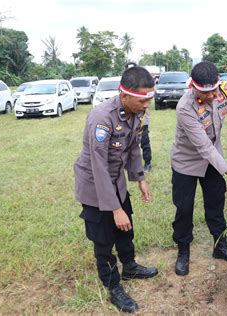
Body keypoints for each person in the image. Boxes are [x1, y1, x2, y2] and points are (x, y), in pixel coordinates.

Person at [74, 66, 159, 313]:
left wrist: (139, 178)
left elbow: (133, 148)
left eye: (149, 98)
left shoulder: (138, 114)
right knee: (103, 240)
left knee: (126, 227)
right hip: (94, 185)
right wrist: (114, 208)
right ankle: (113, 286)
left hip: (116, 181)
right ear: (125, 96)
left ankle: (130, 266)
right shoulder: (101, 118)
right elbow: (98, 166)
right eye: (143, 99)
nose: (147, 104)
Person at [171, 61, 227, 276]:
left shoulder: (224, 90)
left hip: (214, 160)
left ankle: (219, 246)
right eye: (206, 92)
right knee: (184, 209)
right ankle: (183, 250)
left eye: (214, 90)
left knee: (216, 202)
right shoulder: (185, 107)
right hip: (186, 162)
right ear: (193, 87)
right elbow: (204, 148)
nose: (212, 95)